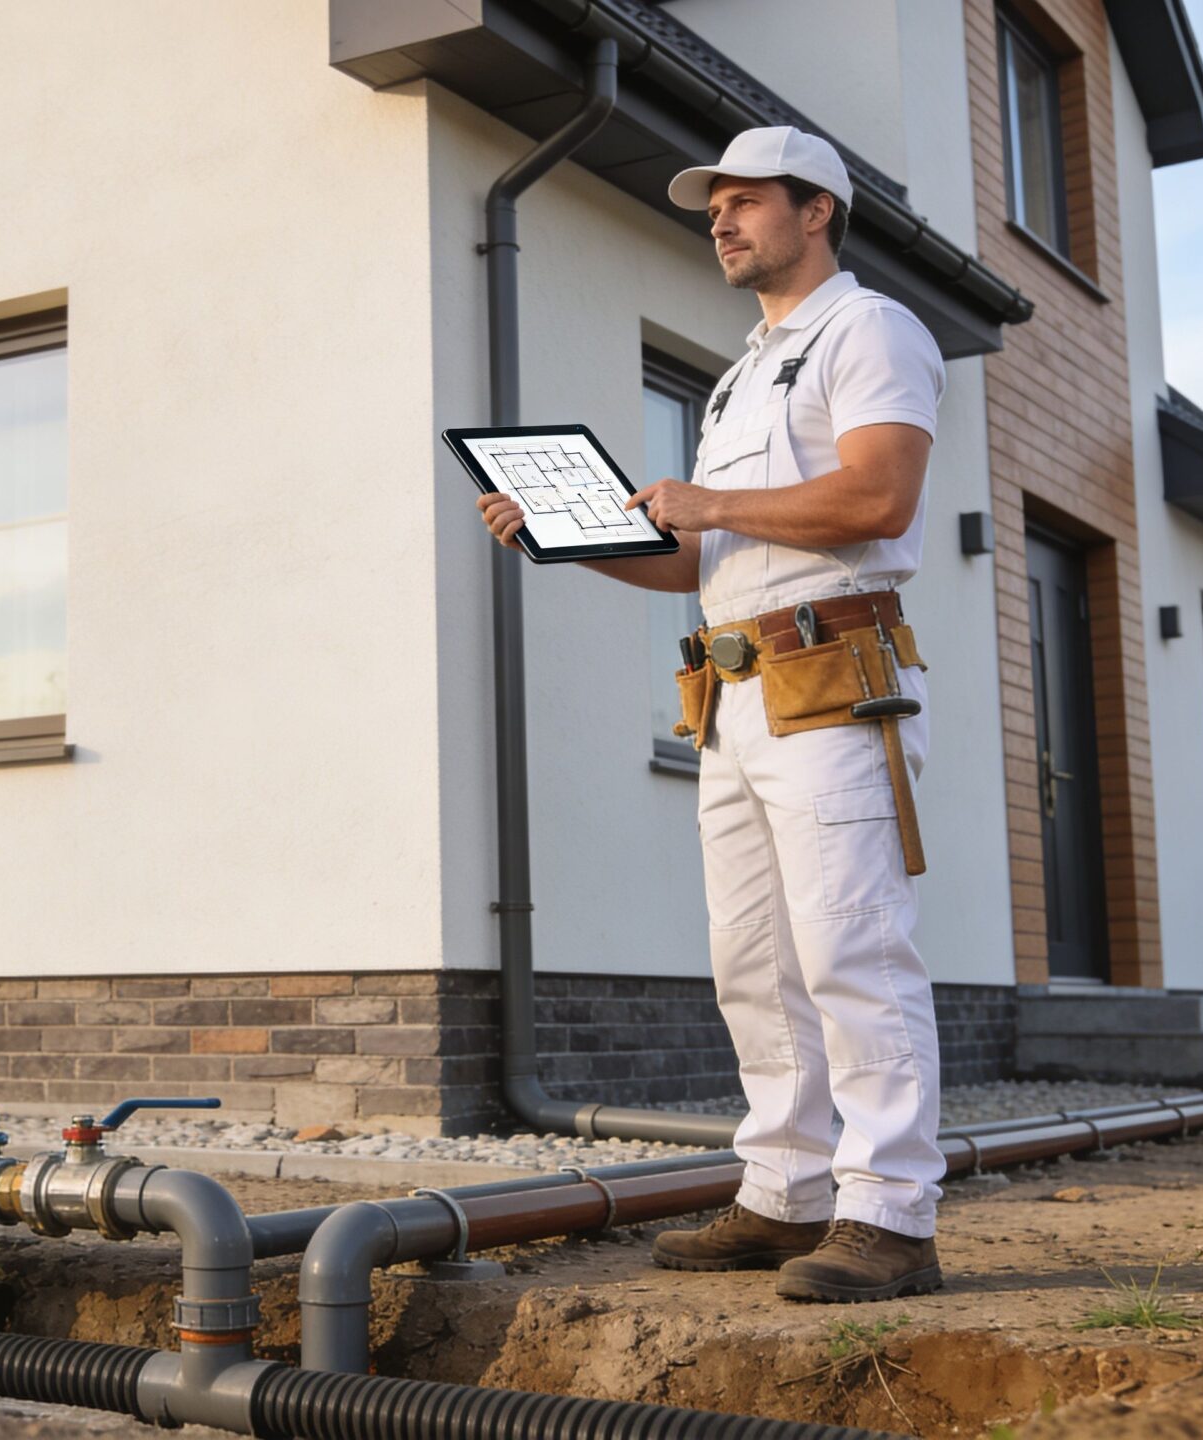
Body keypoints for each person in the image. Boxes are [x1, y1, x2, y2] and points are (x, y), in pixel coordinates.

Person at [475, 126, 948, 1302]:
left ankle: (890, 1217)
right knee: (753, 962)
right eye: (712, 211)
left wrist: (708, 498)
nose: (722, 224)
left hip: (835, 680)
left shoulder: (870, 330)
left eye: (743, 204)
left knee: (851, 943)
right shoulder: (741, 373)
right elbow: (700, 556)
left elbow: (880, 494)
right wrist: (568, 542)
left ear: (816, 211)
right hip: (736, 692)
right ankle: (785, 1196)